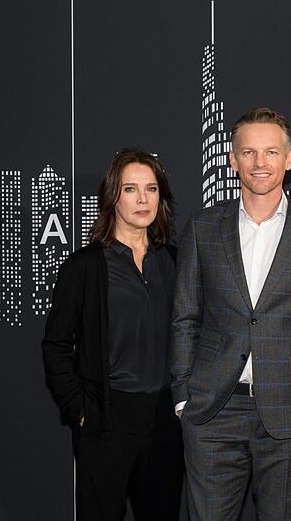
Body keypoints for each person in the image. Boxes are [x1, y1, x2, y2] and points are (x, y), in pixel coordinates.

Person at [170, 107, 291, 520]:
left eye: (270, 152)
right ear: (232, 160)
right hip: (212, 413)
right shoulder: (203, 228)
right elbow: (184, 317)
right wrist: (182, 397)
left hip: (289, 417)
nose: (259, 163)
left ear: (289, 158)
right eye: (248, 152)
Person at [41, 148, 184, 520]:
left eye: (151, 189)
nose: (142, 199)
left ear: (161, 197)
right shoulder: (86, 266)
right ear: (112, 197)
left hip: (165, 419)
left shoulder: (175, 261)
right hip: (106, 419)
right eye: (130, 189)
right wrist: (80, 410)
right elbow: (56, 344)